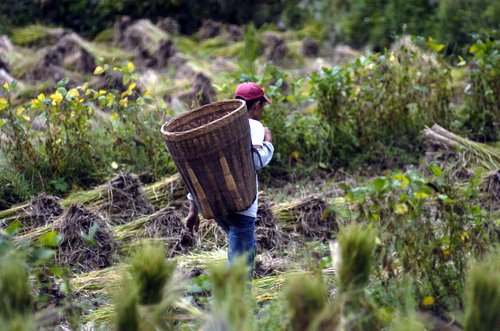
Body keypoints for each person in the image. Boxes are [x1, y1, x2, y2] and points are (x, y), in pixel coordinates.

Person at [184, 82, 274, 275]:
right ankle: (234, 303)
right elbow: (255, 162)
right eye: (262, 105)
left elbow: (201, 168)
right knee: (240, 268)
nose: (262, 110)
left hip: (217, 206)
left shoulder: (219, 127)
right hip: (241, 206)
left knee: (242, 251)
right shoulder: (254, 126)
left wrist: (193, 209)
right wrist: (268, 143)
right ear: (256, 105)